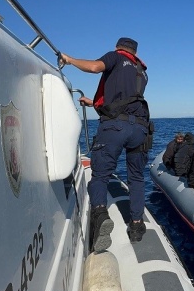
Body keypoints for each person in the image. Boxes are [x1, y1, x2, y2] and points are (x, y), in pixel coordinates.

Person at [59, 37, 151, 250]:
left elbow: (93, 67)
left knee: (100, 175)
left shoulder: (115, 57)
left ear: (118, 48)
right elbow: (125, 101)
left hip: (115, 128)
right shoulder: (142, 72)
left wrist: (69, 59)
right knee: (136, 177)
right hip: (140, 129)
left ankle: (100, 216)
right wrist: (93, 103)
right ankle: (137, 226)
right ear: (134, 52)